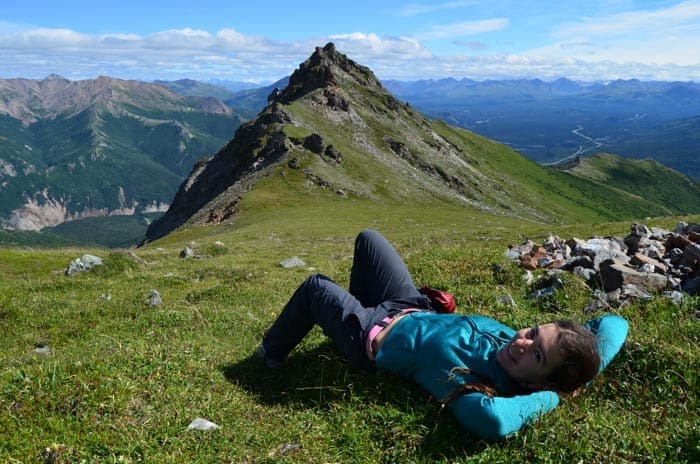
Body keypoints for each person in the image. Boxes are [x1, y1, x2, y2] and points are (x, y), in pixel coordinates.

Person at [257, 229, 629, 440]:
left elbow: (494, 423)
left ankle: (270, 352)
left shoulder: (471, 383)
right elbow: (615, 326)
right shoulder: (516, 350)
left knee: (315, 287)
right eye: (532, 333)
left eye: (537, 355)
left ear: (537, 384)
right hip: (406, 305)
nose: (522, 342)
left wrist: (553, 397)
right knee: (369, 239)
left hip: (369, 334)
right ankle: (354, 302)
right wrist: (581, 370)